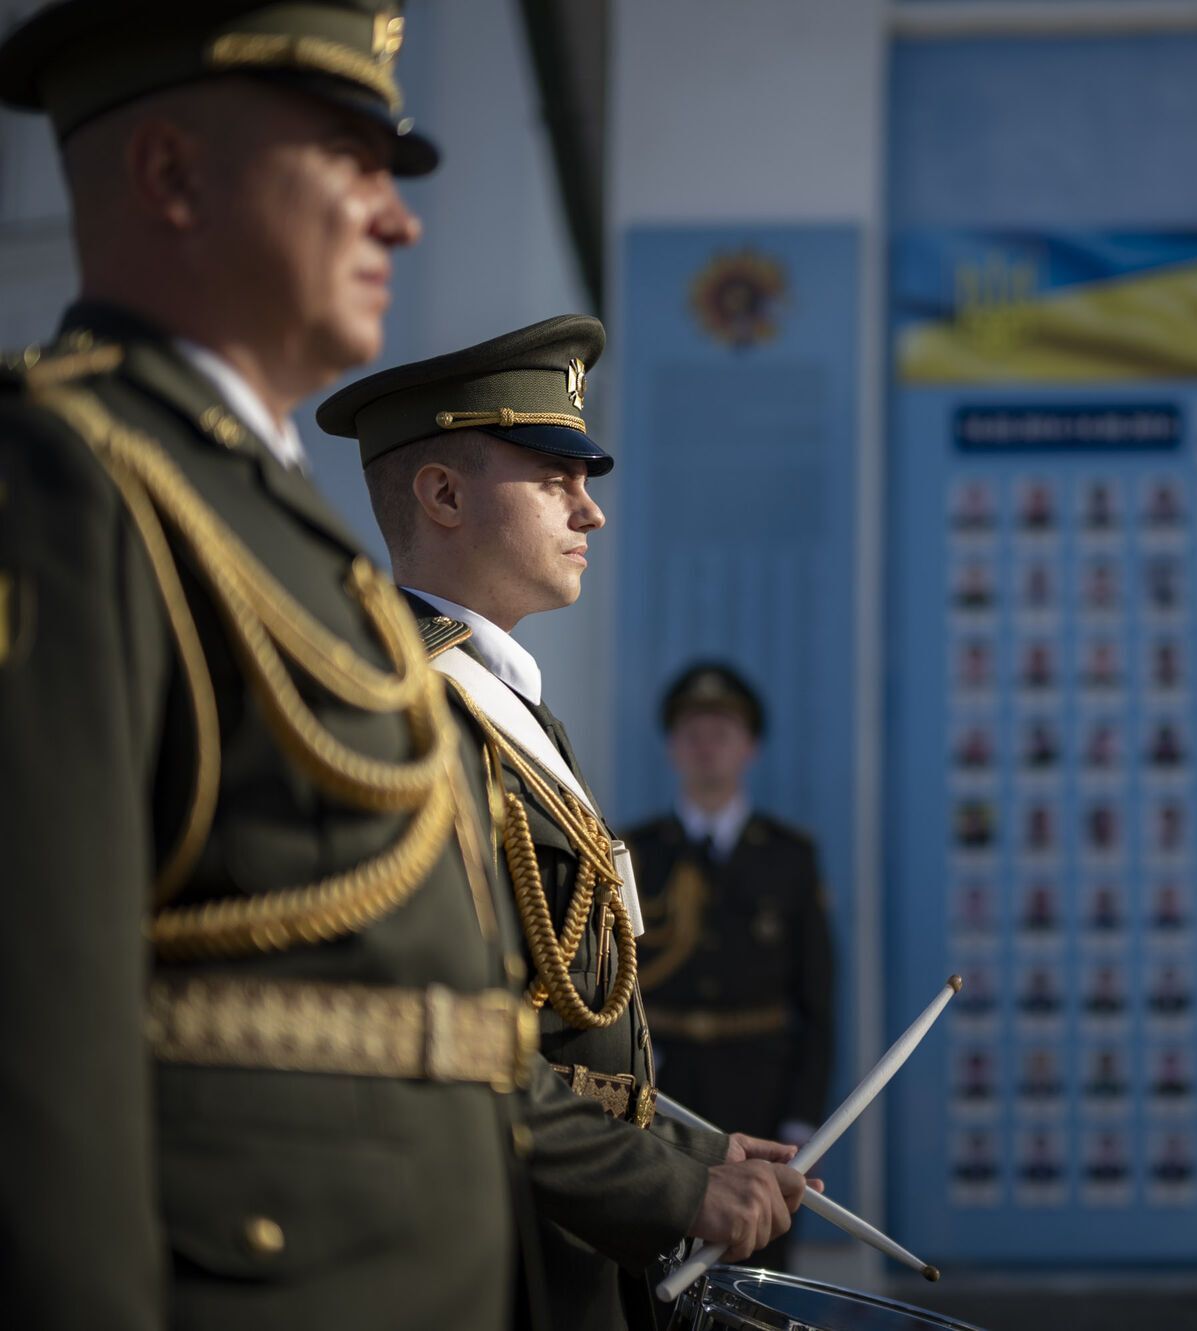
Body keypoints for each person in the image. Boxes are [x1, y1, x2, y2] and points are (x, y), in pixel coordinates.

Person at [0, 5, 792, 1326]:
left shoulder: (260, 516)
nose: (400, 219)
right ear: (171, 175)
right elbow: (40, 1035)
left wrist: (686, 1150)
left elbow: (428, 1023)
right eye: (348, 161)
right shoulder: (67, 481)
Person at [319, 316, 809, 1328]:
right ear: (443, 494)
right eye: (554, 477)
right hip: (491, 1269)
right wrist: (675, 1190)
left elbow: (558, 1044)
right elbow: (440, 1047)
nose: (590, 513)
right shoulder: (401, 712)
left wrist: (689, 1148)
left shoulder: (500, 703)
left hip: (562, 1248)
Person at [626, 662, 836, 1272]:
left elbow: (817, 1003)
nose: (706, 747)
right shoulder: (632, 851)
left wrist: (805, 1120)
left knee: (756, 1272)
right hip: (664, 1096)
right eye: (692, 733)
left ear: (750, 748)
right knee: (658, 1263)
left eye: (722, 733)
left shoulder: (791, 858)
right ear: (672, 748)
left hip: (762, 1096)